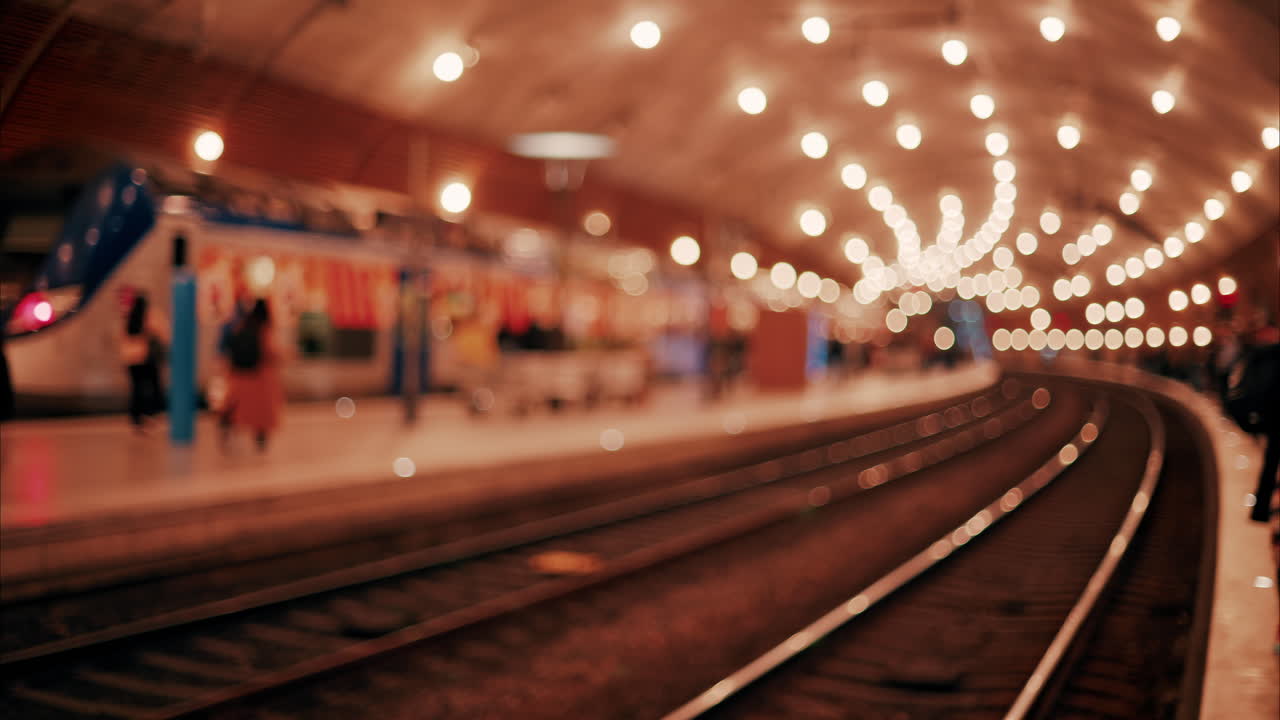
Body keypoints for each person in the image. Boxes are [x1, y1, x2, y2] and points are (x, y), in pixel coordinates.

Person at [223, 299, 283, 451]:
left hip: (238, 375)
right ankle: (260, 439)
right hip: (259, 377)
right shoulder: (264, 330)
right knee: (261, 412)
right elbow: (271, 352)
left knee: (237, 408)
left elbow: (231, 348)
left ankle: (228, 428)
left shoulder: (242, 325)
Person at [120, 294, 166, 432]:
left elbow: (122, 338)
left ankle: (136, 418)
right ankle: (150, 415)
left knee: (136, 390)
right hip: (144, 357)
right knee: (152, 388)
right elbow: (163, 332)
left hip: (130, 360)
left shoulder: (129, 317)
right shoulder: (148, 316)